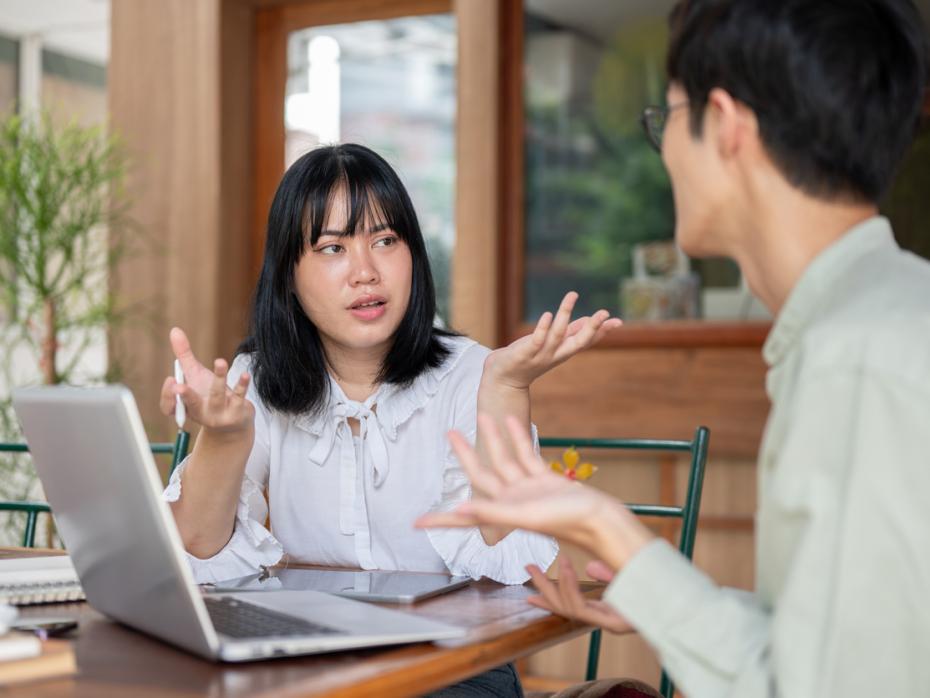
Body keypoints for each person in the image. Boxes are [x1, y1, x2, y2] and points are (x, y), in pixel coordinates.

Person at [418, 1, 930, 696]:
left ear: (724, 126)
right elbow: (863, 639)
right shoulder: (882, 319)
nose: (663, 155)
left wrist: (612, 531)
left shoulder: (856, 362)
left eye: (668, 119)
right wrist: (659, 598)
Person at [159, 143, 618, 696]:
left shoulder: (471, 372)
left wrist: (507, 387)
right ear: (289, 275)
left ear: (413, 255)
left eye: (384, 240)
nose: (366, 272)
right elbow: (197, 552)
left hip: (455, 666)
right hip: (309, 661)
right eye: (332, 248)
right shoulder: (255, 378)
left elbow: (509, 569)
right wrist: (226, 436)